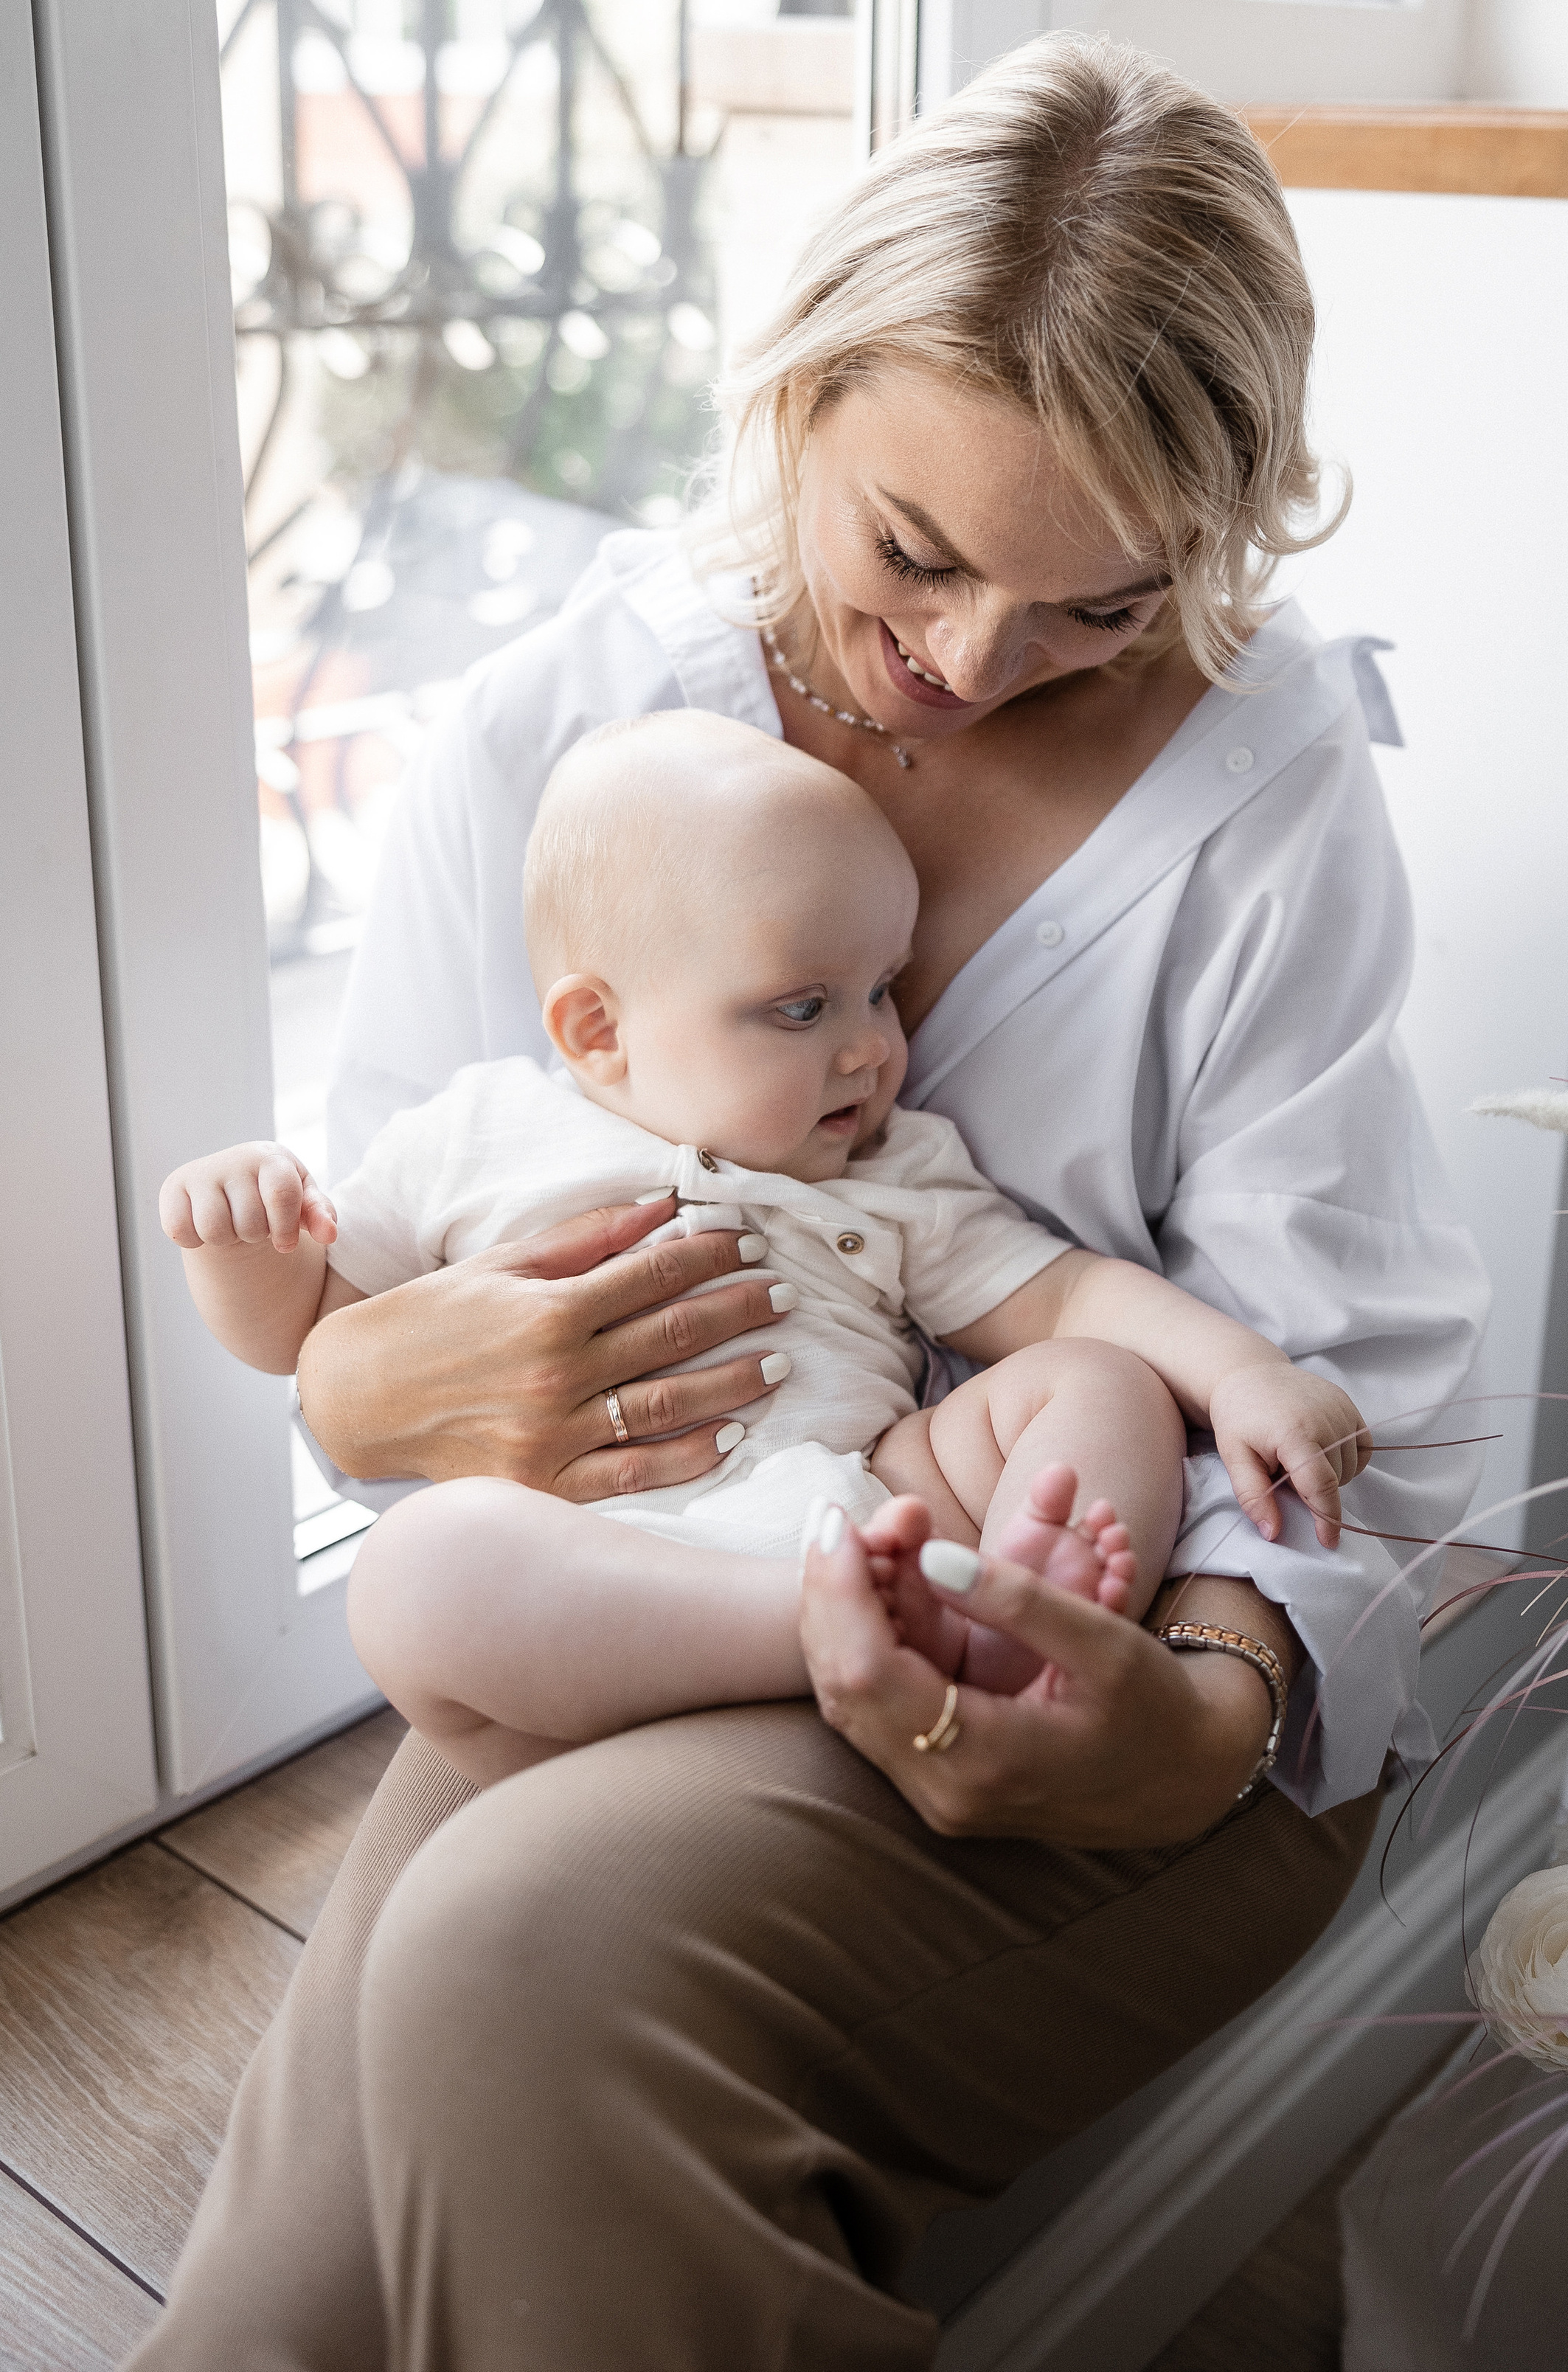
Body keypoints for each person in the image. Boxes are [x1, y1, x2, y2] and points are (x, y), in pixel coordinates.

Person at [135, 32, 1489, 2371]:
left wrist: (1186, 1711)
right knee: (273, 2316)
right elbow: (371, 1348)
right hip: (680, 1593)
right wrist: (369, 1362)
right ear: (798, 392)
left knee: (506, 1958)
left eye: (1095, 604)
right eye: (917, 551)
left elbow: (1333, 1430)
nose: (974, 665)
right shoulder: (563, 729)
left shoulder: (1264, 806)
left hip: (1119, 1654)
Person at [159, 712, 1373, 1781]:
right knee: (421, 1568)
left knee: (1103, 1381)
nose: (870, 1051)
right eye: (803, 1007)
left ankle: (1017, 1612)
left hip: (874, 1514)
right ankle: (842, 1630)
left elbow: (1063, 1298)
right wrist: (241, 1239)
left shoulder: (891, 1168)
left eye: (882, 991)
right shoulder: (475, 1135)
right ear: (598, 1029)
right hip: (604, 1580)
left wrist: (1239, 1373)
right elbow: (308, 1335)